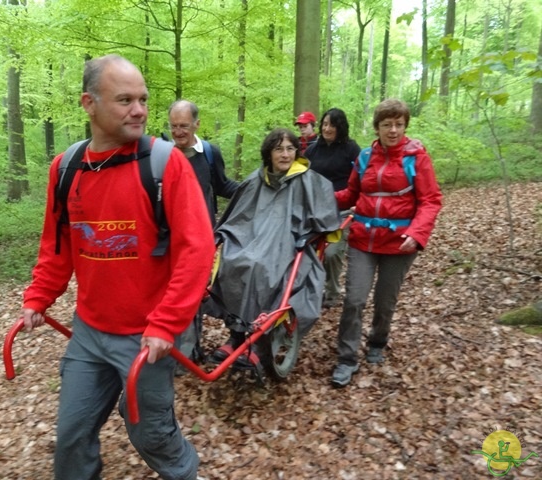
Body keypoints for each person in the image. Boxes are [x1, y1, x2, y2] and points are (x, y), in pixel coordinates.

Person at [19, 54, 215, 480]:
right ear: (88, 103)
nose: (140, 110)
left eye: (143, 99)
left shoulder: (166, 164)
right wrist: (38, 297)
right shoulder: (66, 168)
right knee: (71, 435)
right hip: (90, 332)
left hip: (146, 336)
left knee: (152, 436)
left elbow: (197, 250)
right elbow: (57, 246)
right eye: (125, 99)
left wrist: (166, 323)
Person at [331, 98, 442, 388]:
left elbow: (430, 201)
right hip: (362, 240)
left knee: (384, 301)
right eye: (386, 124)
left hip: (399, 244)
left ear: (405, 125)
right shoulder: (366, 157)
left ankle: (378, 341)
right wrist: (321, 198)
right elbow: (351, 194)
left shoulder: (417, 158)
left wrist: (417, 235)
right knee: (354, 299)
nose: (393, 130)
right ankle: (346, 358)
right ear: (377, 127)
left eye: (398, 124)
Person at [208, 128, 341, 366]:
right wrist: (222, 235)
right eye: (279, 149)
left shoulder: (309, 180)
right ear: (268, 153)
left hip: (290, 244)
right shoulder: (254, 180)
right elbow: (236, 217)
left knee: (263, 268)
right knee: (233, 262)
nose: (285, 154)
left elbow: (326, 218)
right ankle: (236, 336)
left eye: (290, 148)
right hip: (252, 240)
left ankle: (259, 344)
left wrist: (310, 234)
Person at [167, 100, 239, 369]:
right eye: (174, 126)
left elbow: (222, 185)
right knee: (170, 294)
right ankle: (176, 350)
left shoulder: (209, 153)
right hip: (167, 239)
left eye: (184, 126)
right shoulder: (162, 154)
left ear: (197, 124)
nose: (178, 132)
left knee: (194, 293)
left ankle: (187, 353)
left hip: (201, 238)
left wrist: (255, 188)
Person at [305, 108, 361, 309]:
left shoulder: (351, 149)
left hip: (342, 211)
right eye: (325, 124)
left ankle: (332, 291)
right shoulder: (312, 150)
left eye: (332, 125)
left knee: (332, 253)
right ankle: (312, 290)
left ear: (340, 127)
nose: (328, 129)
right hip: (314, 210)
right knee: (309, 251)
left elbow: (362, 177)